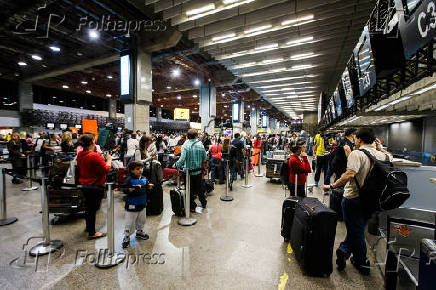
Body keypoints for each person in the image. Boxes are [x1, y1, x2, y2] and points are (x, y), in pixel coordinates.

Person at [322, 128, 392, 275]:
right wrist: (379, 147)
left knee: (357, 230)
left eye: (356, 138)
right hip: (373, 200)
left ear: (359, 140)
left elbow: (349, 174)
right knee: (358, 228)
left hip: (353, 198)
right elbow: (388, 157)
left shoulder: (357, 154)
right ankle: (346, 251)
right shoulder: (384, 156)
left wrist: (333, 185)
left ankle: (361, 262)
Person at [76, 134, 111, 239]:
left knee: (88, 208)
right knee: (93, 209)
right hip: (95, 186)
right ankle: (92, 233)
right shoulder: (95, 156)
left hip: (84, 185)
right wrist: (109, 160)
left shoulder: (80, 154)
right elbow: (105, 169)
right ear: (92, 142)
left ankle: (89, 227)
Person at [121, 161, 154, 248]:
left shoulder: (144, 178)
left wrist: (149, 187)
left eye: (141, 168)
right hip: (132, 205)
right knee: (129, 222)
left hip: (142, 204)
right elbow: (124, 189)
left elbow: (147, 188)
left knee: (142, 220)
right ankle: (127, 236)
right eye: (137, 169)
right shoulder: (129, 180)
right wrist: (129, 189)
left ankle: (139, 232)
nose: (140, 170)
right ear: (132, 170)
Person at [173, 129, 207, 211]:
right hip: (198, 171)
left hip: (188, 172)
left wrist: (176, 165)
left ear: (187, 136)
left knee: (189, 189)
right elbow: (204, 158)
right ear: (196, 136)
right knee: (199, 188)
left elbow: (182, 158)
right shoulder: (200, 144)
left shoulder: (185, 145)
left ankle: (192, 206)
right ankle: (203, 203)